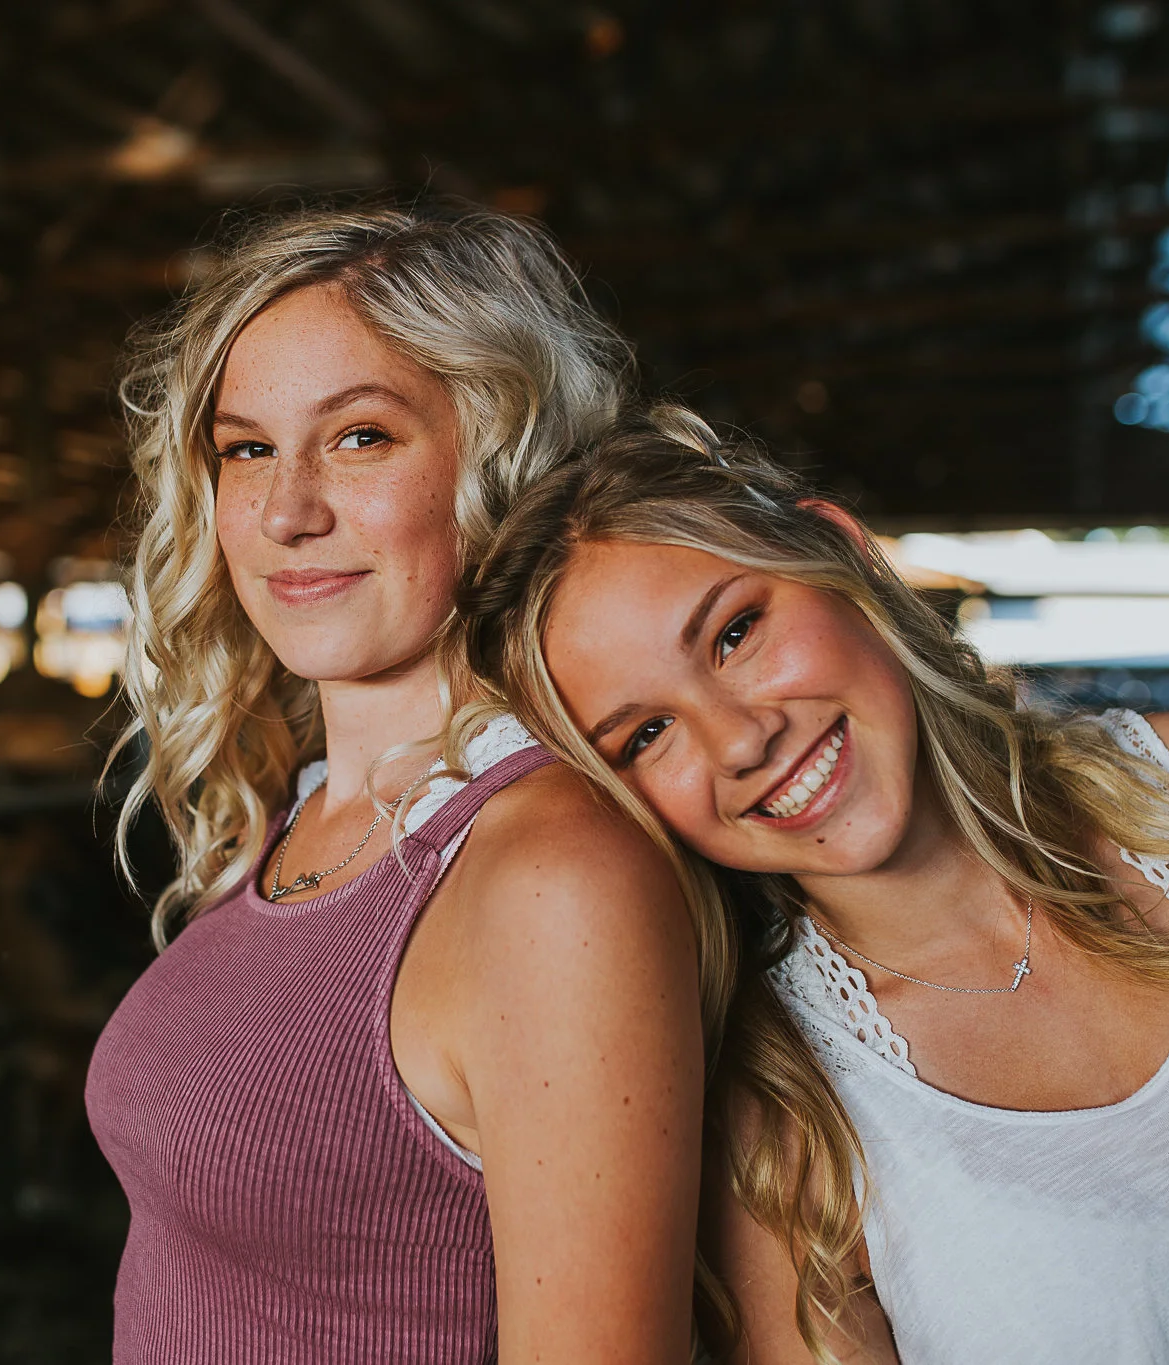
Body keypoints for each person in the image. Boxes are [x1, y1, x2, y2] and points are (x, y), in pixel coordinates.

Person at [462, 407, 1169, 1365]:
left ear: (843, 552)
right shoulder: (776, 1111)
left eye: (734, 634)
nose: (740, 739)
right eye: (646, 734)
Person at [84, 207, 727, 1363]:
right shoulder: (295, 813)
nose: (287, 513)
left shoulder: (550, 878)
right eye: (245, 450)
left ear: (501, 457)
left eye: (360, 437)